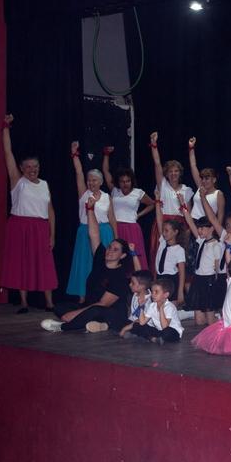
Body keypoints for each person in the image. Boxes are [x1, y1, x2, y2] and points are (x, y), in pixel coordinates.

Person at [40, 199, 131, 333]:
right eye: (110, 247)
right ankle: (87, 324)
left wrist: (75, 314)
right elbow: (94, 235)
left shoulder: (120, 277)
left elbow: (103, 304)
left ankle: (61, 327)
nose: (110, 250)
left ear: (122, 256)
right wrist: (90, 210)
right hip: (90, 306)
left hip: (109, 312)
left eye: (116, 250)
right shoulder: (101, 259)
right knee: (60, 307)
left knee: (92, 311)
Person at [0, 114, 58, 312]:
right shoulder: (18, 181)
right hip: (20, 226)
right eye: (29, 167)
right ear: (21, 169)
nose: (33, 170)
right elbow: (8, 152)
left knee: (44, 265)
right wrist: (6, 127)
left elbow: (50, 211)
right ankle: (24, 302)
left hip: (40, 227)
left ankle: (49, 302)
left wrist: (52, 235)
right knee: (22, 263)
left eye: (36, 166)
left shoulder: (45, 185)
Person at [67, 141, 118, 301]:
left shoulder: (107, 197)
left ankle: (102, 295)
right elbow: (78, 173)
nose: (91, 183)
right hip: (85, 232)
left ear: (101, 182)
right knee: (84, 265)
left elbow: (112, 219)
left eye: (94, 180)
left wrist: (116, 239)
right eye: (89, 180)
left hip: (104, 232)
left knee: (104, 264)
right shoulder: (84, 193)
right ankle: (83, 296)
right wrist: (74, 154)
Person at [102, 148, 154, 271]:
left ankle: (137, 285)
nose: (125, 184)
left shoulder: (138, 193)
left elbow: (152, 204)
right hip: (115, 227)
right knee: (116, 258)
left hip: (132, 228)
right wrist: (106, 155)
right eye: (122, 181)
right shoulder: (115, 191)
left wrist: (139, 215)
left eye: (128, 181)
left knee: (133, 257)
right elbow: (105, 171)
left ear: (131, 181)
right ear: (118, 182)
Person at [148, 131, 193, 267]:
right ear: (166, 174)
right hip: (163, 224)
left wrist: (187, 231)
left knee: (178, 260)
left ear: (180, 173)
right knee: (161, 257)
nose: (173, 174)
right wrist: (154, 145)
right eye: (170, 171)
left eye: (176, 171)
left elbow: (189, 214)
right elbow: (157, 164)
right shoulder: (163, 186)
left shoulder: (187, 190)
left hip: (180, 226)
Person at [181, 203, 223, 325]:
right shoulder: (201, 241)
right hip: (198, 280)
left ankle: (222, 320)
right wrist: (184, 206)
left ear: (211, 228)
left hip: (209, 281)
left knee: (210, 321)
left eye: (202, 228)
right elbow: (190, 223)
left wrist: (216, 284)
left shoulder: (216, 245)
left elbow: (217, 267)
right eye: (199, 228)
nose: (199, 230)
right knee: (199, 321)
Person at [122, 278, 184, 344]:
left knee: (167, 332)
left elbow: (165, 327)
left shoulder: (169, 307)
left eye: (156, 292)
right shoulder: (152, 305)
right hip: (159, 331)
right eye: (152, 291)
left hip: (173, 332)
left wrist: (161, 309)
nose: (153, 294)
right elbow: (142, 322)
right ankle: (153, 339)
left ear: (165, 295)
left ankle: (150, 337)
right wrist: (141, 306)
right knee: (137, 325)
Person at [153, 191, 186, 305]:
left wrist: (180, 291)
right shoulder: (163, 241)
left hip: (171, 280)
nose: (164, 233)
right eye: (164, 230)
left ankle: (188, 313)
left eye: (167, 231)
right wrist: (157, 201)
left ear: (175, 232)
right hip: (159, 277)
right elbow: (159, 220)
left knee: (171, 308)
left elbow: (182, 272)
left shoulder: (179, 250)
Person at [187, 137, 225, 224]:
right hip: (193, 224)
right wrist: (191, 148)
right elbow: (193, 165)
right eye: (202, 178)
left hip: (207, 226)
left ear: (214, 179)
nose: (204, 181)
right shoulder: (200, 187)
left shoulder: (218, 194)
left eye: (207, 178)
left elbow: (220, 217)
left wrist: (213, 230)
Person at [117, 269, 153, 337]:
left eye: (133, 283)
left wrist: (125, 328)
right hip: (131, 321)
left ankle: (131, 332)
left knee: (138, 327)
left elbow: (141, 321)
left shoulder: (147, 302)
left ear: (142, 286)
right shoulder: (137, 292)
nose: (130, 284)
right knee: (116, 315)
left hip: (141, 323)